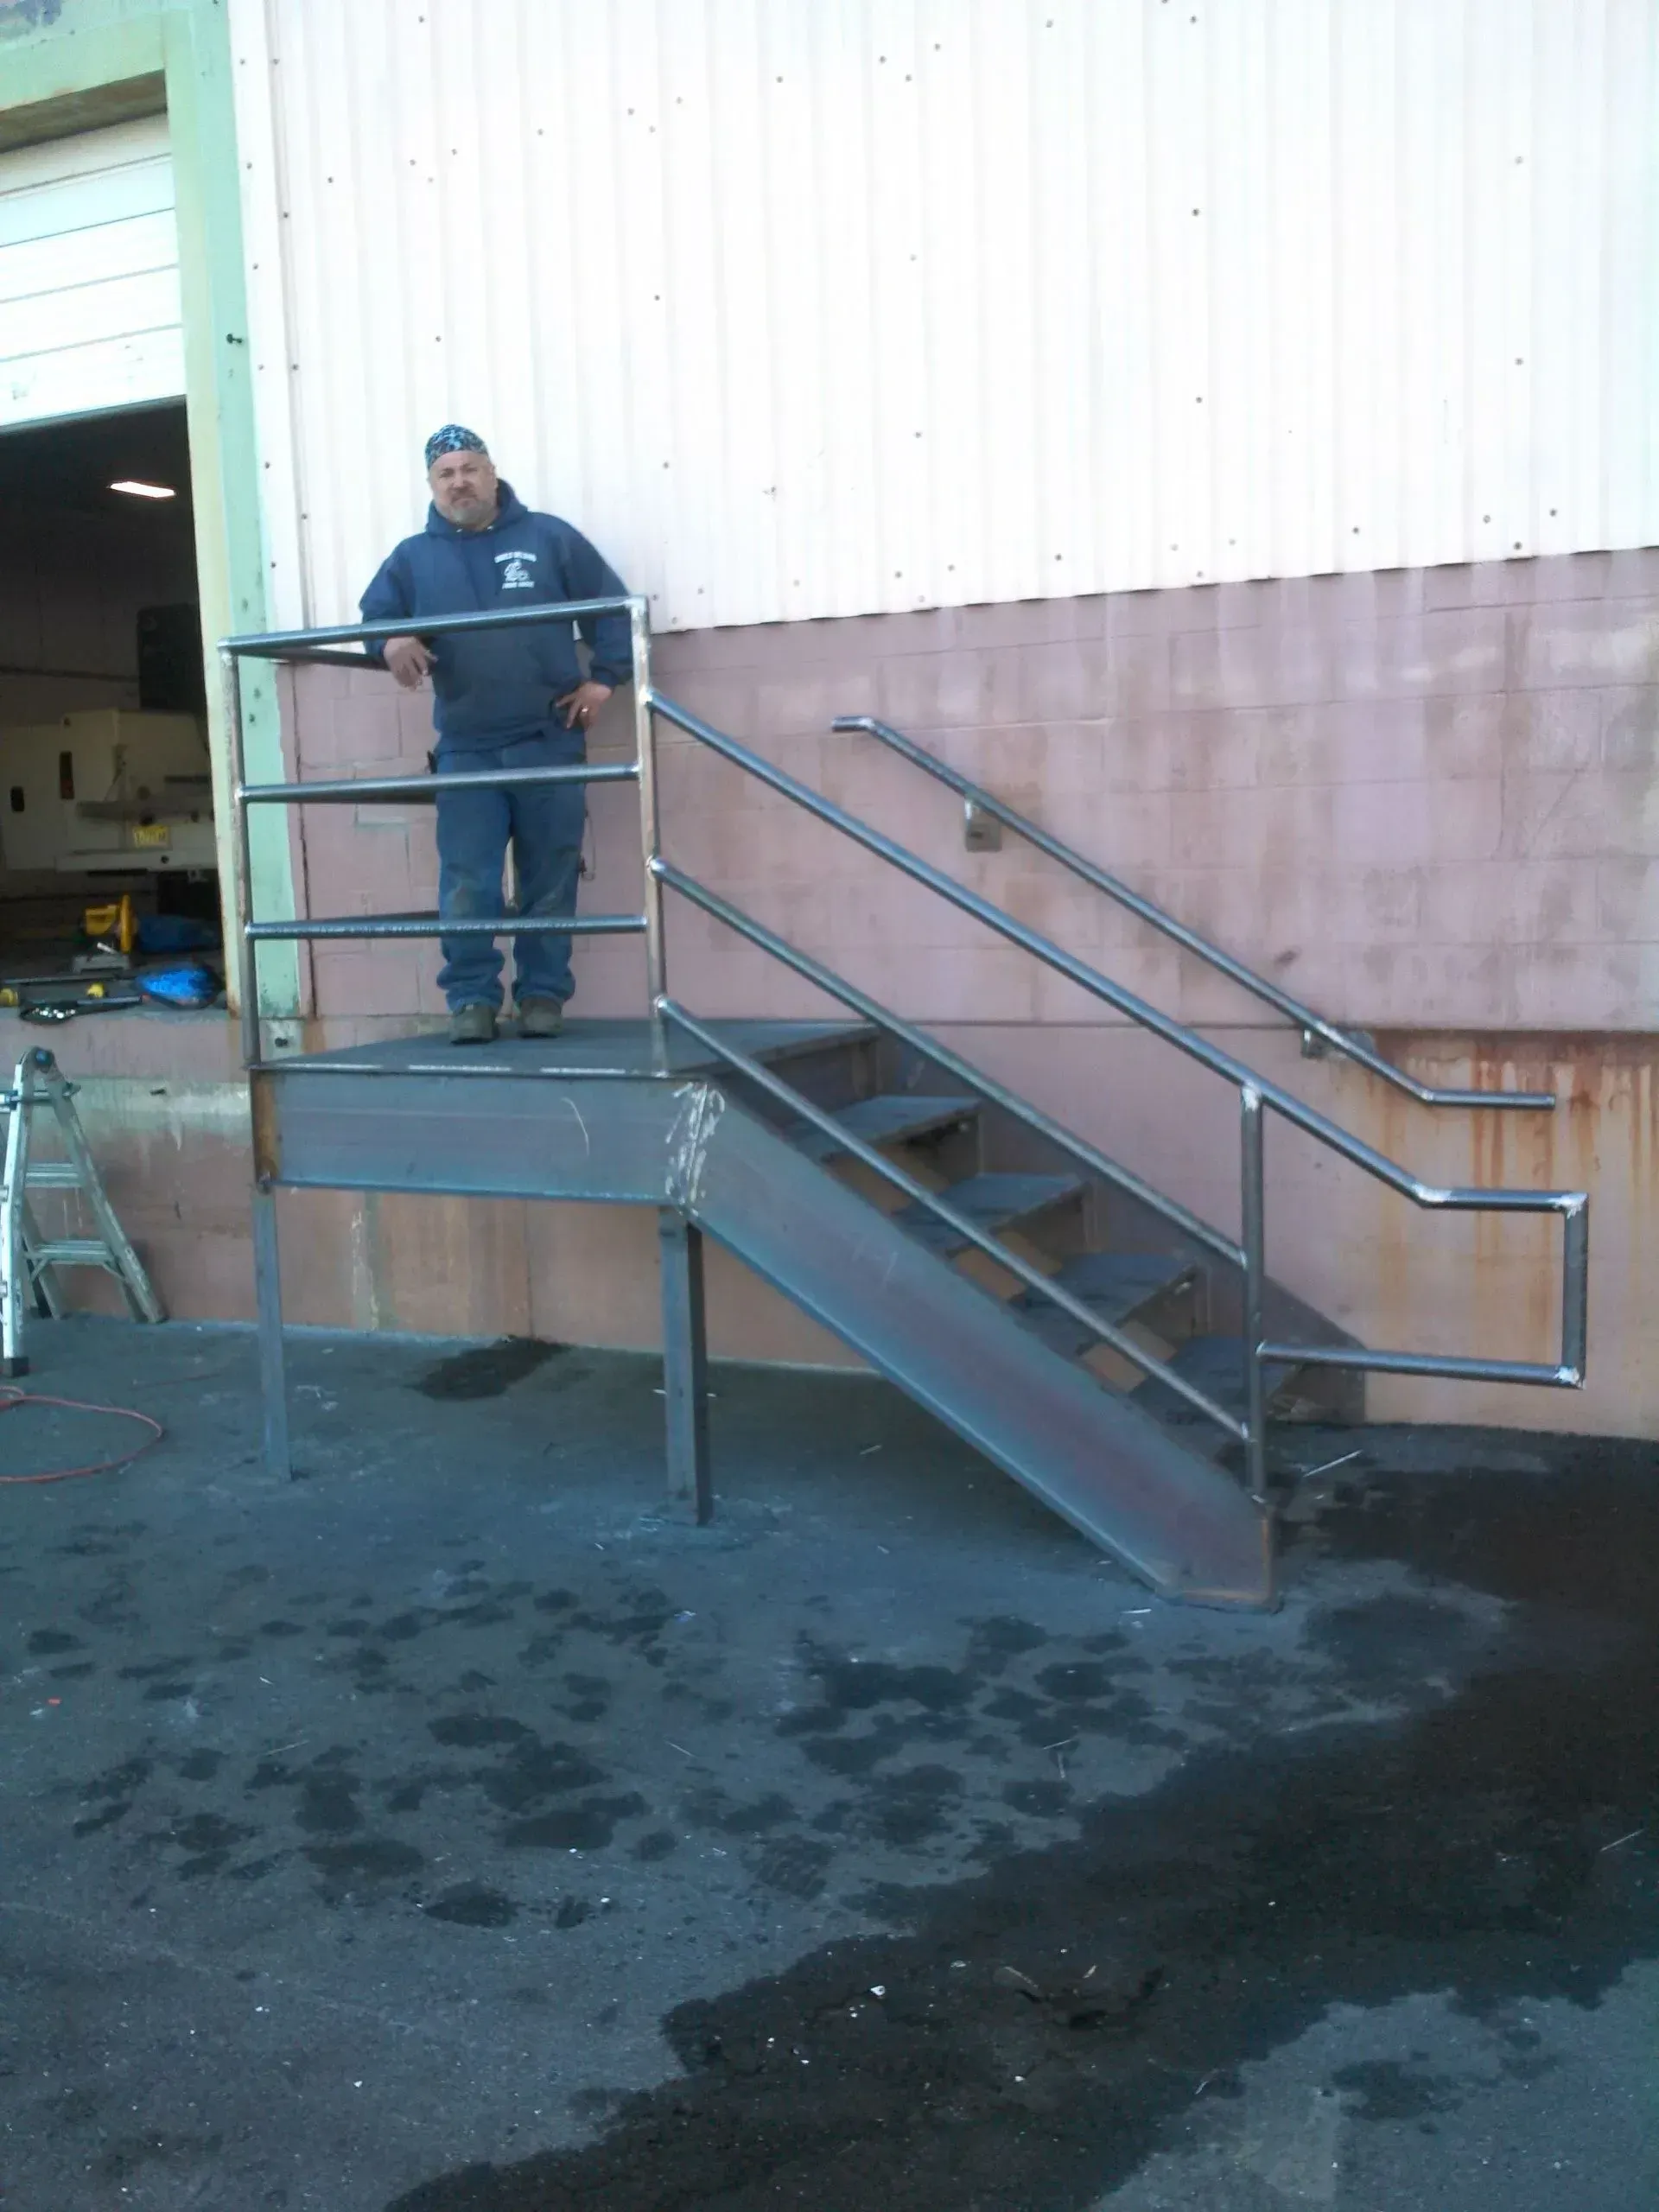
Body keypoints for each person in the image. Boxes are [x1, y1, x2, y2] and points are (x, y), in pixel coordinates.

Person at [359, 425, 631, 1044]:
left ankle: (541, 998)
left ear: (491, 472)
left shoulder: (549, 538)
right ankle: (472, 1001)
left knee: (551, 875)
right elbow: (376, 615)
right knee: (467, 880)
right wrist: (391, 639)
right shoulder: (412, 557)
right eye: (445, 473)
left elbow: (611, 606)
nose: (459, 482)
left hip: (549, 737)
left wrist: (605, 680)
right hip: (468, 747)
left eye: (469, 469)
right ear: (432, 485)